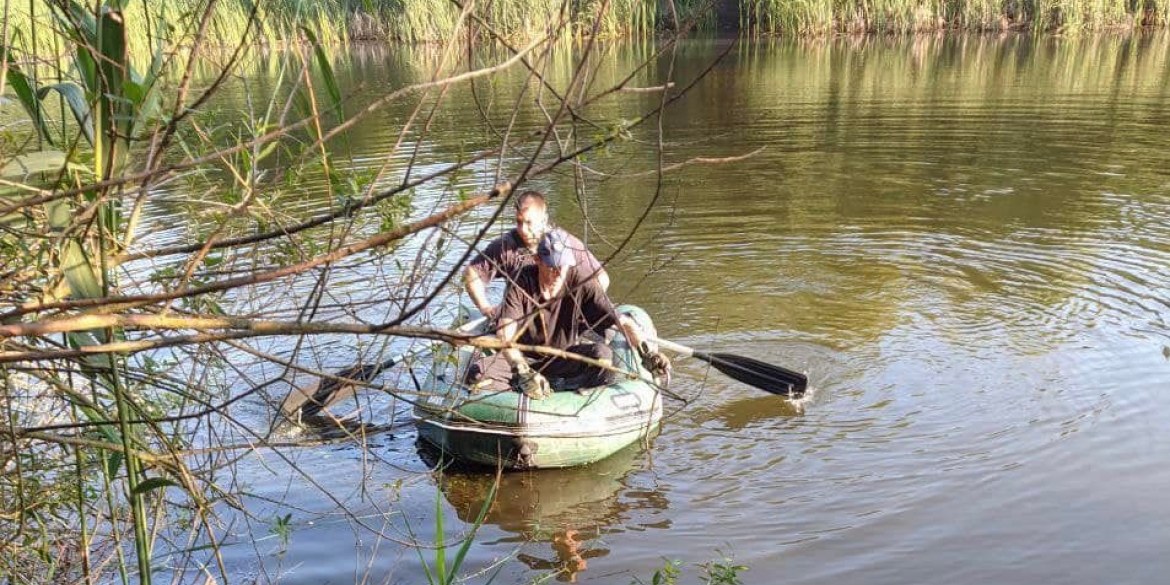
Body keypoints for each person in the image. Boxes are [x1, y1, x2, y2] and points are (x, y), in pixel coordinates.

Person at [465, 229, 669, 399]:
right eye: (550, 267)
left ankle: (572, 397)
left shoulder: (582, 283)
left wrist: (648, 353)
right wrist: (521, 370)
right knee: (478, 373)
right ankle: (520, 392)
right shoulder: (521, 283)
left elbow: (621, 322)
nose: (557, 274)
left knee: (603, 356)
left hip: (563, 357)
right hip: (523, 356)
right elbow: (505, 335)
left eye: (562, 267)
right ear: (537, 260)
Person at [464, 190, 609, 319]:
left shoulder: (564, 245)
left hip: (560, 320)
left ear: (544, 220)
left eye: (529, 222)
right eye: (519, 222)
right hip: (519, 318)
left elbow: (601, 278)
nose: (523, 229)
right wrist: (485, 307)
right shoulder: (506, 247)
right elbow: (472, 272)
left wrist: (583, 308)